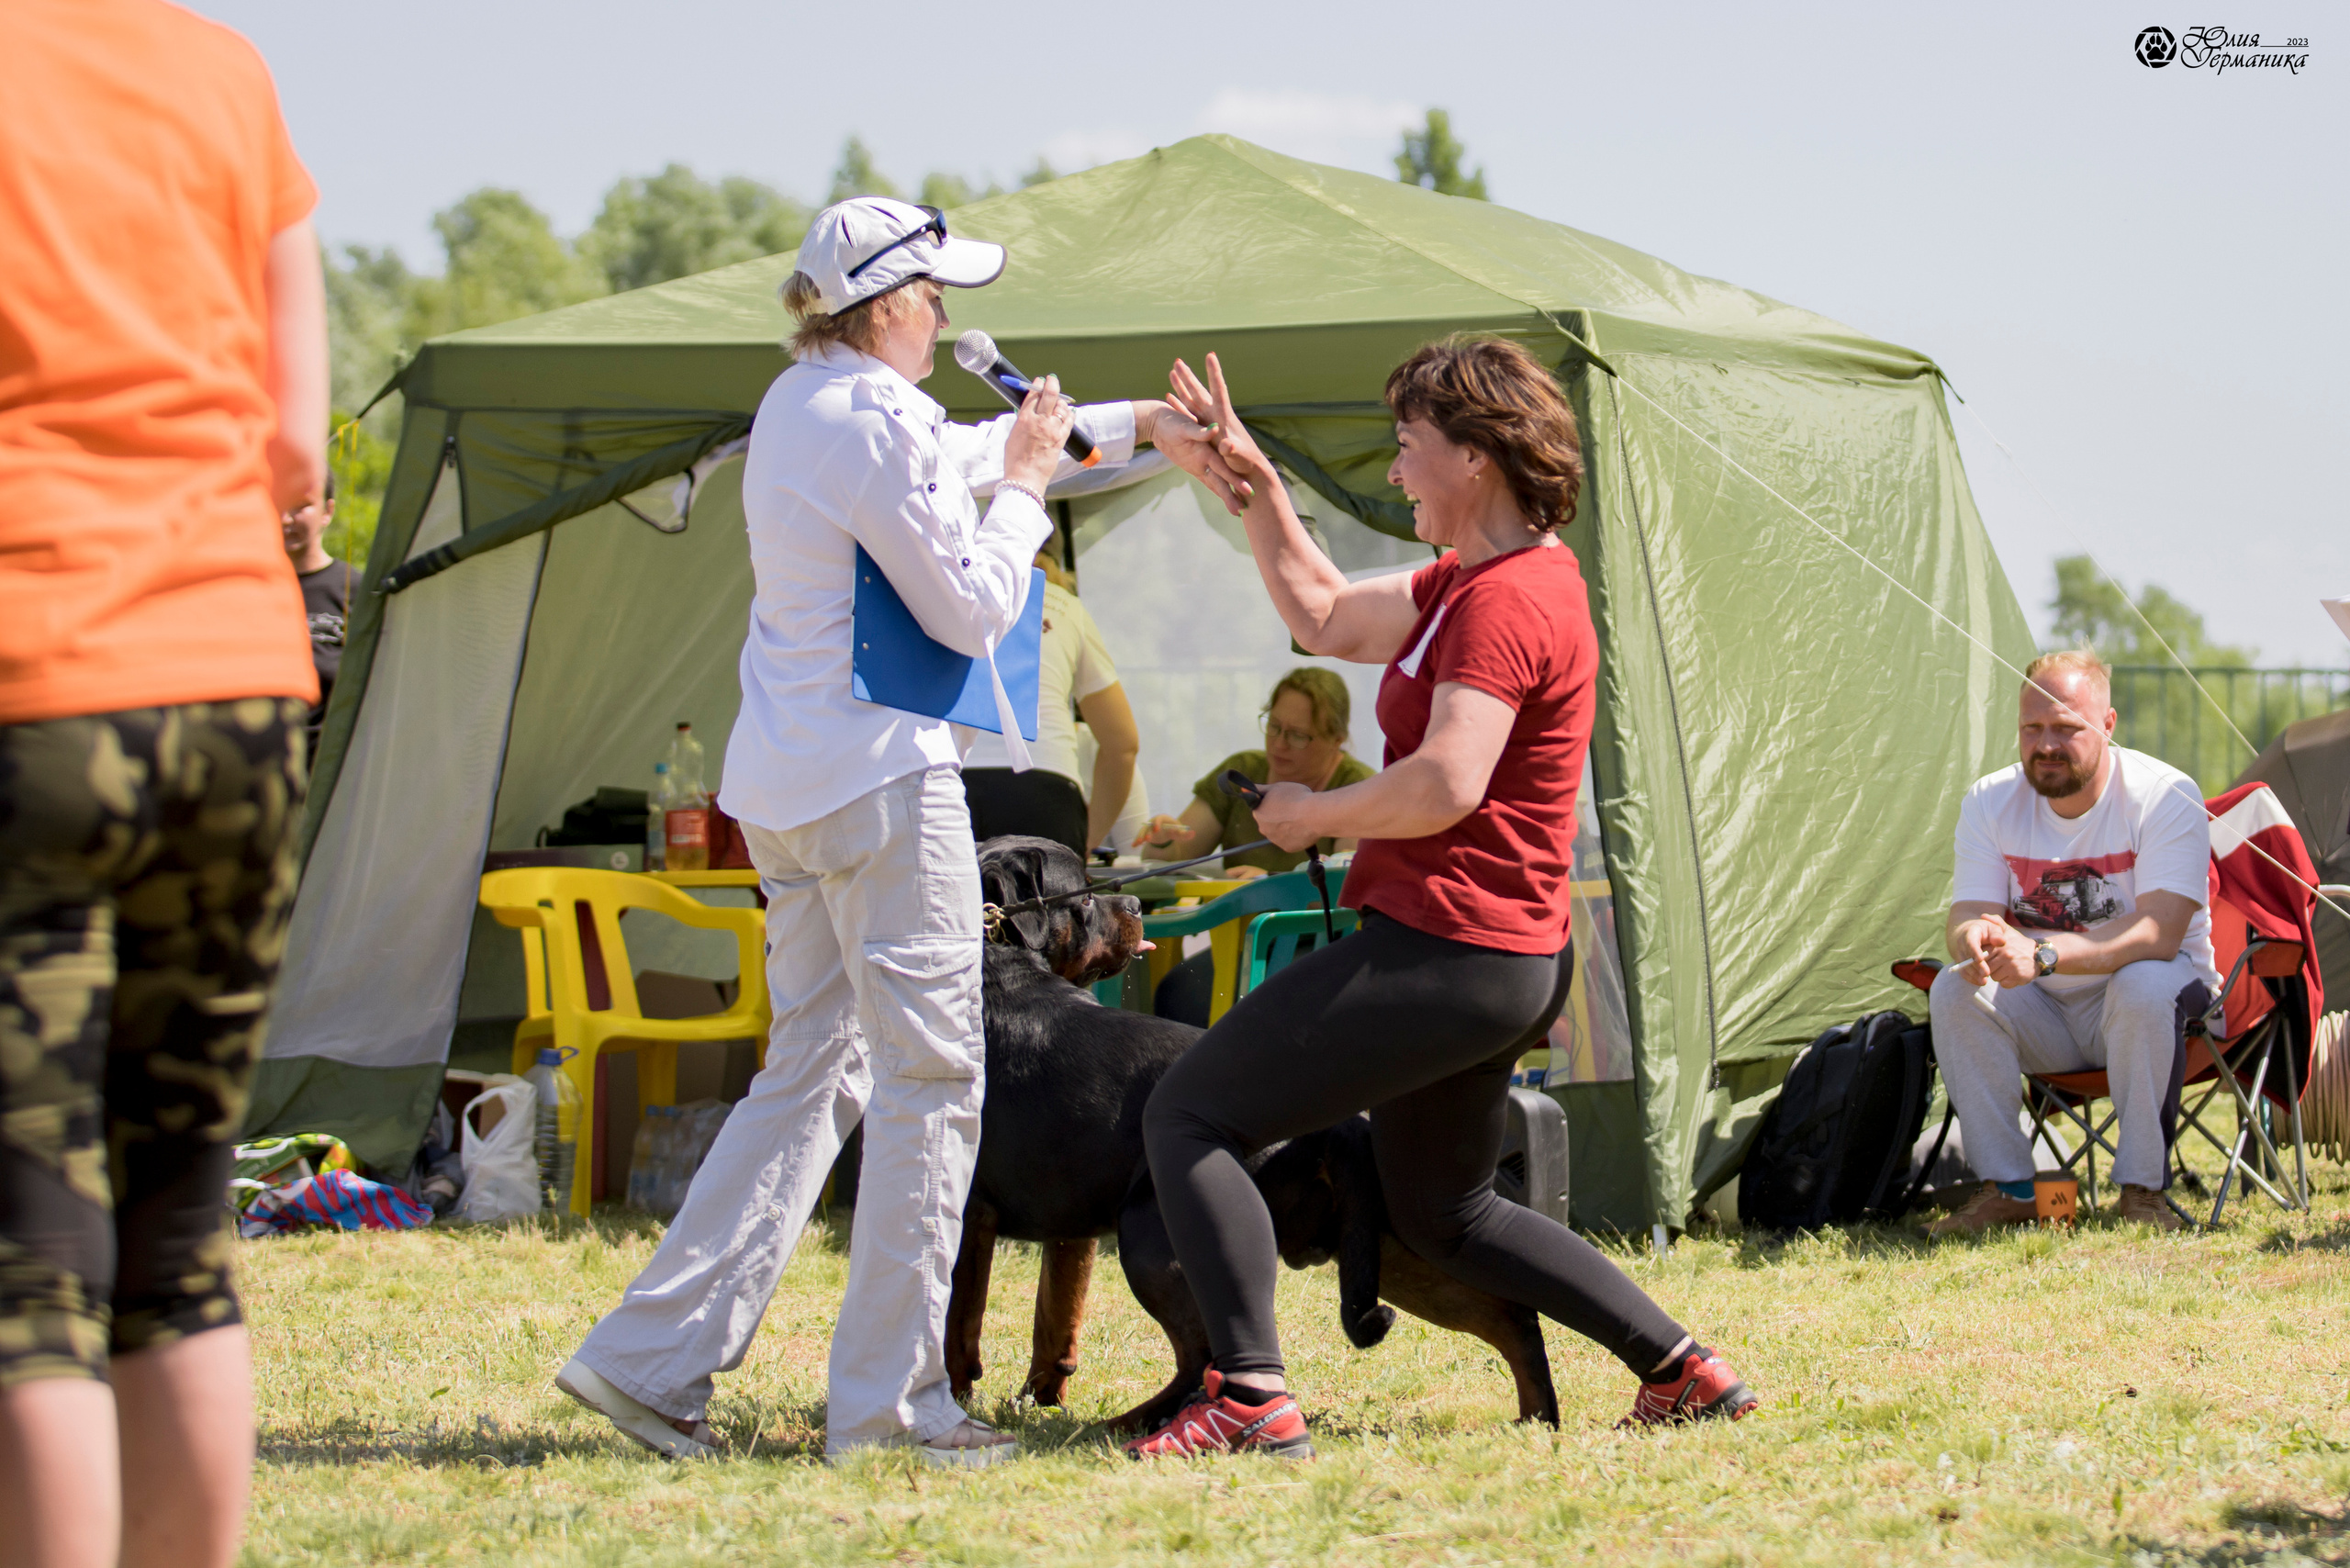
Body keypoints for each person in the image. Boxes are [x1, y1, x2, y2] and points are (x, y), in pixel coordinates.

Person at [554, 196, 1192, 1469]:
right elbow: (969, 608)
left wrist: (1145, 430)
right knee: (933, 1079)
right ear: (891, 303)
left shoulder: (807, 403)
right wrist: (1025, 489)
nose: (948, 311)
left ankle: (646, 1364)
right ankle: (894, 1411)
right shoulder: (872, 418)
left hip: (789, 794)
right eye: (937, 293)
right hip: (881, 786)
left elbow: (957, 452)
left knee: (811, 1076)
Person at [1126, 339, 1758, 1460]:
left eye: (1410, 445)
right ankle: (1684, 1369)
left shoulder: (1505, 602)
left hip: (1452, 950)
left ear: (1475, 455)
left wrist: (1309, 814)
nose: (1398, 468)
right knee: (1445, 1210)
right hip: (1497, 958)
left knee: (1191, 1113)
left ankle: (1249, 1397)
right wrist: (1258, 488)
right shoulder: (1463, 584)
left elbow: (1447, 781)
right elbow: (1321, 616)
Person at [0, 4, 327, 1564]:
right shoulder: (217, 67)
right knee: (178, 1235)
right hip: (238, 688)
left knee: (29, 1263)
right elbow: (293, 444)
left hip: (33, 687)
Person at [1926, 650, 2218, 1237]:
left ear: (2108, 726)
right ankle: (2008, 1187)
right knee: (1953, 988)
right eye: (2033, 729)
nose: (2047, 745)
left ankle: (2143, 1192)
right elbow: (1970, 910)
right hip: (2048, 1013)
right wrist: (1975, 937)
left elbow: (2157, 932)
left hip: (2157, 1009)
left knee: (2143, 982)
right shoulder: (1990, 799)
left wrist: (2044, 954)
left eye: (2067, 727)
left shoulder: (2165, 794)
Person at [961, 526, 1141, 859]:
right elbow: (1123, 744)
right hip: (1045, 788)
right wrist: (1088, 840)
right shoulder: (1065, 607)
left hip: (955, 784)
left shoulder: (953, 594)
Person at [1138, 666, 1373, 877]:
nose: (1279, 744)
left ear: (1336, 740)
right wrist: (1162, 842)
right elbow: (1172, 864)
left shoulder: (1357, 789)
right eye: (1274, 726)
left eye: (1297, 736)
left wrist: (1267, 885)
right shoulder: (1242, 774)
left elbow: (1344, 887)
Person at [283, 471, 355, 757]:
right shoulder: (245, 590)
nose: (286, 519)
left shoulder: (356, 590)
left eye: (301, 506)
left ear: (328, 510)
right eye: (278, 504)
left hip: (330, 776)